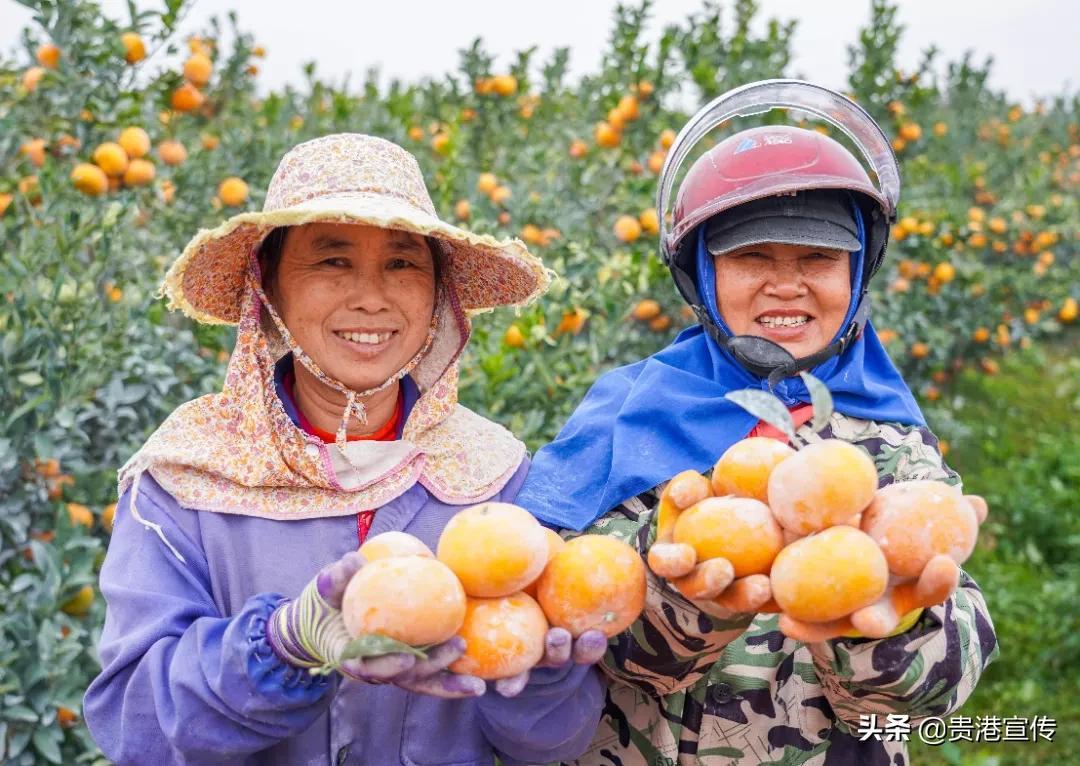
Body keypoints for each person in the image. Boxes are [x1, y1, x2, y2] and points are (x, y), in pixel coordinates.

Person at [83, 133, 606, 766]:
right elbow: (133, 725)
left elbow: (557, 743)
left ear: (437, 293)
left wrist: (541, 682)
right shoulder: (185, 480)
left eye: (402, 263)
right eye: (332, 261)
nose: (371, 297)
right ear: (268, 288)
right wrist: (282, 645)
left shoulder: (492, 480)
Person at [516, 81, 998, 764]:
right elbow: (573, 626)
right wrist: (682, 608)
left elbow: (933, 687)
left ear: (857, 274)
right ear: (701, 276)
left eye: (819, 259)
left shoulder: (888, 445)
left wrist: (882, 631)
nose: (787, 284)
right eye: (751, 258)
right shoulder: (630, 413)